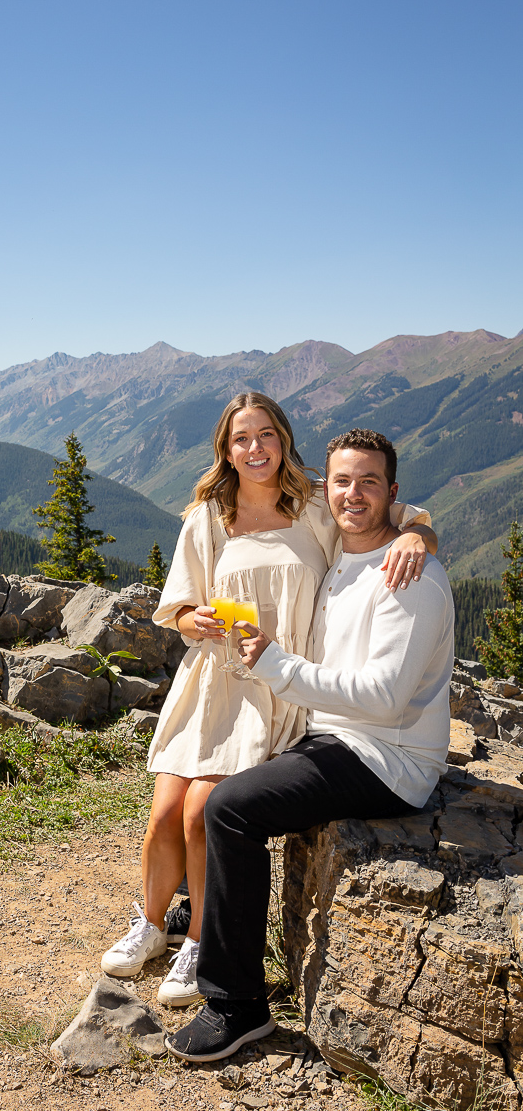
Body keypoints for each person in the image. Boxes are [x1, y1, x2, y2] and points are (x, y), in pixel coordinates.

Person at [100, 396, 436, 1008]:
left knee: (204, 810)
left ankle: (201, 939)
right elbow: (177, 606)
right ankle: (151, 925)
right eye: (240, 439)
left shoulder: (313, 505)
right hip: (216, 676)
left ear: (282, 439)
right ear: (225, 451)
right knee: (166, 808)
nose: (254, 449)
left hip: (283, 685)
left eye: (265, 436)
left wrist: (417, 535)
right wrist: (191, 618)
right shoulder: (208, 515)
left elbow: (390, 512)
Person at [166, 428, 454, 1061]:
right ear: (326, 488)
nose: (353, 494)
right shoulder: (344, 555)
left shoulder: (411, 576)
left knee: (231, 808)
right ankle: (205, 924)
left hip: (388, 758)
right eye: (342, 481)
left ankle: (236, 1005)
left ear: (393, 493)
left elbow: (382, 696)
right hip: (334, 736)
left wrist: (275, 666)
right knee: (219, 793)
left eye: (369, 482)